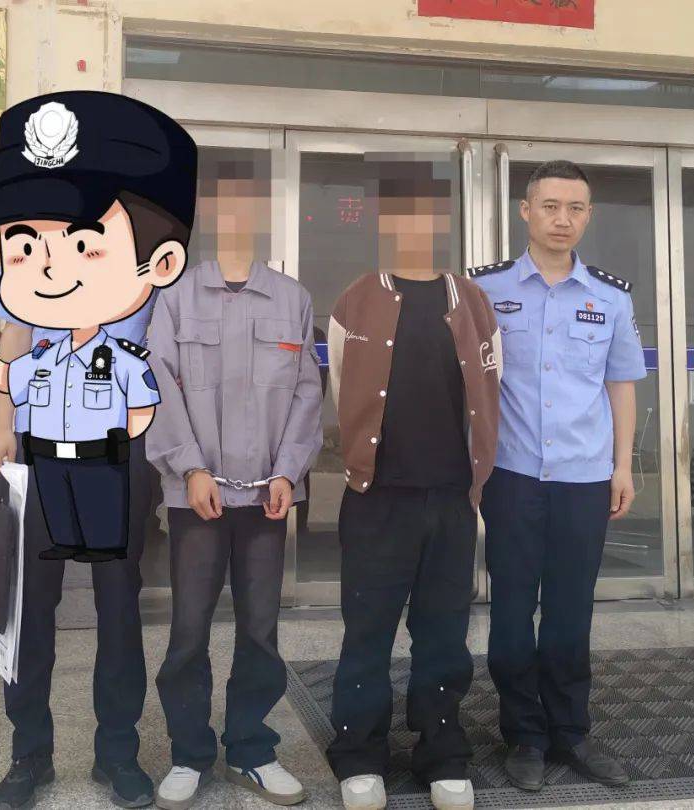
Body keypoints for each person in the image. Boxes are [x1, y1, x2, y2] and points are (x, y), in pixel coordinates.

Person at [0, 90, 197, 809]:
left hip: (116, 463)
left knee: (117, 609)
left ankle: (117, 753)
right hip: (38, 457)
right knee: (29, 611)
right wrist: (3, 426)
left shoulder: (141, 257)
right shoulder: (25, 256)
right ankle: (28, 755)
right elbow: (11, 335)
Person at [145, 162, 323, 809]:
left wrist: (288, 471)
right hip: (196, 494)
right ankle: (189, 753)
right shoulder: (176, 298)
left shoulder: (292, 299)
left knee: (260, 630)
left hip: (267, 496)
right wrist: (189, 467)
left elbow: (307, 394)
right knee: (189, 629)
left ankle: (251, 748)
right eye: (226, 205)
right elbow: (157, 386)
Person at [325, 170, 501, 810]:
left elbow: (490, 388)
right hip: (377, 498)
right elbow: (341, 387)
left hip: (450, 498)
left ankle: (442, 751)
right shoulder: (356, 299)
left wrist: (476, 484)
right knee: (366, 630)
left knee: (444, 633)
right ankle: (359, 754)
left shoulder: (473, 301)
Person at [469, 160, 646, 792]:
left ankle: (571, 732)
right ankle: (524, 734)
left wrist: (622, 465)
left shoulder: (610, 297)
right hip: (511, 475)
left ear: (588, 216)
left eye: (575, 208)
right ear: (526, 211)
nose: (562, 219)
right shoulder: (483, 290)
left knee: (571, 614)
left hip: (584, 478)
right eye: (550, 206)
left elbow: (620, 385)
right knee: (512, 612)